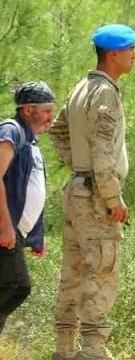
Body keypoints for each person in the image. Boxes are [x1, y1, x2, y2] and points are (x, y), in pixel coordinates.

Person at [47, 24, 135, 360]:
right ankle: (93, 349)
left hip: (77, 188)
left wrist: (76, 165)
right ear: (113, 54)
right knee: (102, 265)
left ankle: (64, 346)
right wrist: (112, 197)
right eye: (130, 49)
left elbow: (58, 130)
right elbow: (102, 149)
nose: (134, 55)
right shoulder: (105, 93)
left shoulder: (80, 88)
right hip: (96, 193)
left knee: (73, 267)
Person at [0, 83, 56, 336]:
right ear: (28, 110)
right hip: (4, 229)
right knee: (16, 285)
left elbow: (31, 188)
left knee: (12, 286)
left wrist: (35, 236)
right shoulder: (11, 131)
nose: (50, 117)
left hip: (15, 232)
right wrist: (5, 226)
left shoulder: (29, 140)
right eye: (46, 111)